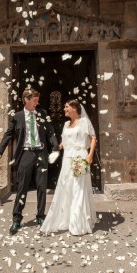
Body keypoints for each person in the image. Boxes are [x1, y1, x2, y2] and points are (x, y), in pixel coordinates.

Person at [0, 88, 59, 235]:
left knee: (42, 186)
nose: (37, 102)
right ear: (26, 99)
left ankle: (41, 217)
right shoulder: (17, 116)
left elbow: (50, 132)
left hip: (41, 153)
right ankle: (17, 218)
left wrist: (55, 147)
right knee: (22, 187)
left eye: (37, 100)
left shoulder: (42, 114)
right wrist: (0, 152)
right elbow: (8, 135)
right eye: (35, 100)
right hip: (26, 154)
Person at [40, 100, 97, 235]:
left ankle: (78, 224)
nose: (64, 109)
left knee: (78, 188)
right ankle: (67, 219)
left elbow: (93, 138)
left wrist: (90, 155)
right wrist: (54, 150)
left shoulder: (84, 122)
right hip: (67, 159)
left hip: (80, 157)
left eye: (67, 107)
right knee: (66, 188)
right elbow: (64, 143)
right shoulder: (66, 124)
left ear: (74, 108)